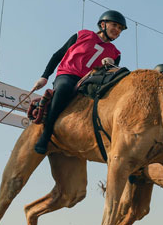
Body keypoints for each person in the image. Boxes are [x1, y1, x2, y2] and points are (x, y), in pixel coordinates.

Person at [32, 10, 127, 154]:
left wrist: (111, 65)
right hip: (68, 75)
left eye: (120, 29)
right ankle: (45, 135)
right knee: (64, 88)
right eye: (114, 25)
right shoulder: (82, 35)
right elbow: (58, 55)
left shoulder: (115, 53)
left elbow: (109, 76)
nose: (117, 30)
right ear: (103, 24)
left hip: (90, 82)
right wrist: (44, 76)